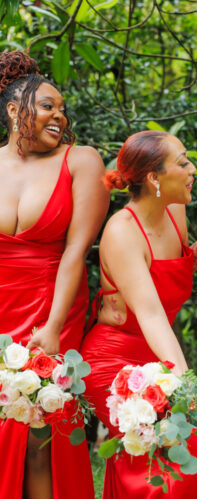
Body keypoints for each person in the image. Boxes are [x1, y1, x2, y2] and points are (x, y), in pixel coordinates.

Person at [80, 130, 197, 498]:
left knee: (192, 448)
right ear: (155, 178)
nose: (194, 169)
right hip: (114, 359)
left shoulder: (175, 210)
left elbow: (166, 280)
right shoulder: (122, 231)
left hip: (154, 356)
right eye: (184, 162)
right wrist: (187, 387)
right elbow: (152, 314)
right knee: (159, 453)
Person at [0, 50, 107, 499]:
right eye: (48, 106)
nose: (59, 116)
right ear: (13, 110)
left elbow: (76, 250)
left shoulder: (81, 161)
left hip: (52, 304)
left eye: (63, 109)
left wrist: (54, 326)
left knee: (41, 435)